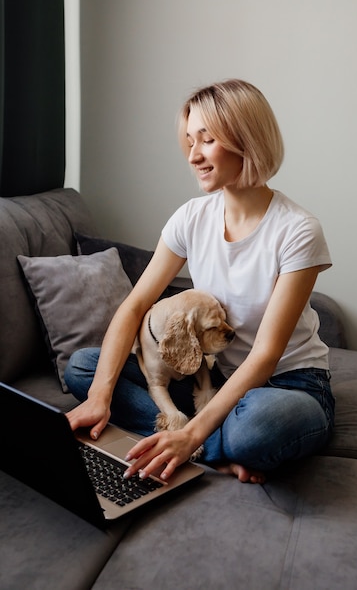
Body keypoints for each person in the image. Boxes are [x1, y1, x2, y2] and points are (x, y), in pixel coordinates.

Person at [65, 79, 335, 484]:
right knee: (84, 369)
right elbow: (135, 306)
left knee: (255, 428)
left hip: (289, 385)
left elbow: (264, 355)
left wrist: (192, 433)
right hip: (221, 377)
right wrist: (99, 398)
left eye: (207, 140)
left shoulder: (297, 230)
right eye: (189, 141)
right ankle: (212, 450)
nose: (193, 155)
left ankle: (199, 440)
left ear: (246, 140)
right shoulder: (191, 218)